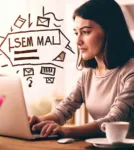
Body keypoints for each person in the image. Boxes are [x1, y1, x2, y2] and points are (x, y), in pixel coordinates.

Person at [29, 0, 134, 139]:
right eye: (76, 33)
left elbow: (113, 120)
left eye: (85, 32)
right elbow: (65, 109)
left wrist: (66, 131)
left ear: (110, 31)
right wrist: (39, 121)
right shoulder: (88, 73)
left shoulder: (130, 72)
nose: (78, 41)